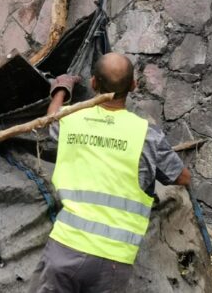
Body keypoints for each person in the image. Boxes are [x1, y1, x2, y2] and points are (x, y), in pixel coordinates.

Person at [29, 52, 191, 293]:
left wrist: (61, 89)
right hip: (114, 262)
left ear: (93, 83)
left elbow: (51, 118)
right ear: (134, 86)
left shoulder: (71, 119)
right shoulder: (146, 135)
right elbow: (182, 178)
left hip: (64, 249)